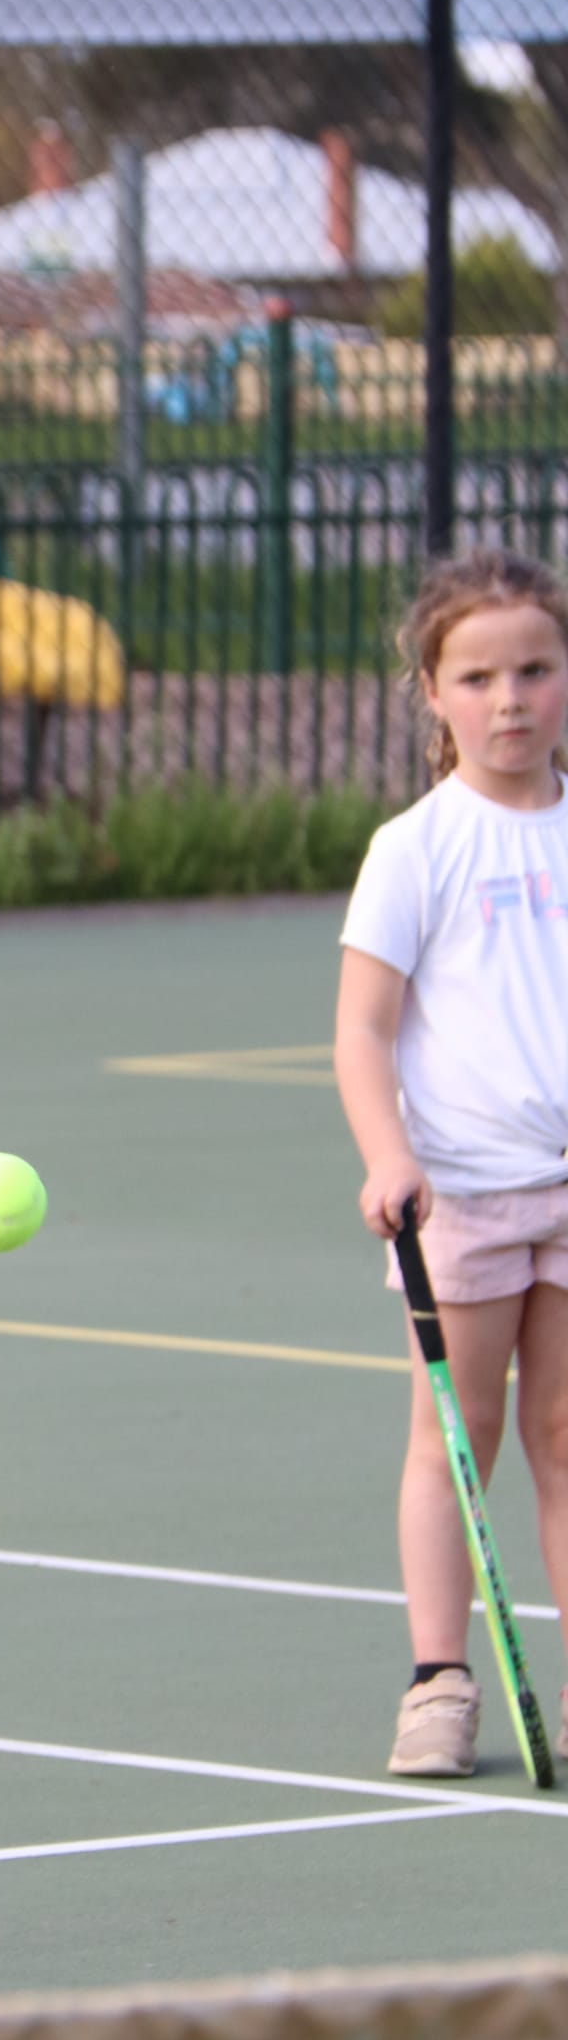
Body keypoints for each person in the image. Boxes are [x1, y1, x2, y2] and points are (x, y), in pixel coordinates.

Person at [335, 546, 568, 1779]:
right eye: (477, 677)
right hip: (461, 1196)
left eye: (533, 669)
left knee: (564, 1433)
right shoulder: (414, 848)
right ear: (433, 692)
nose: (511, 699)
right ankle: (437, 1684)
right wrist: (388, 1157)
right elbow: (361, 1029)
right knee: (451, 1436)